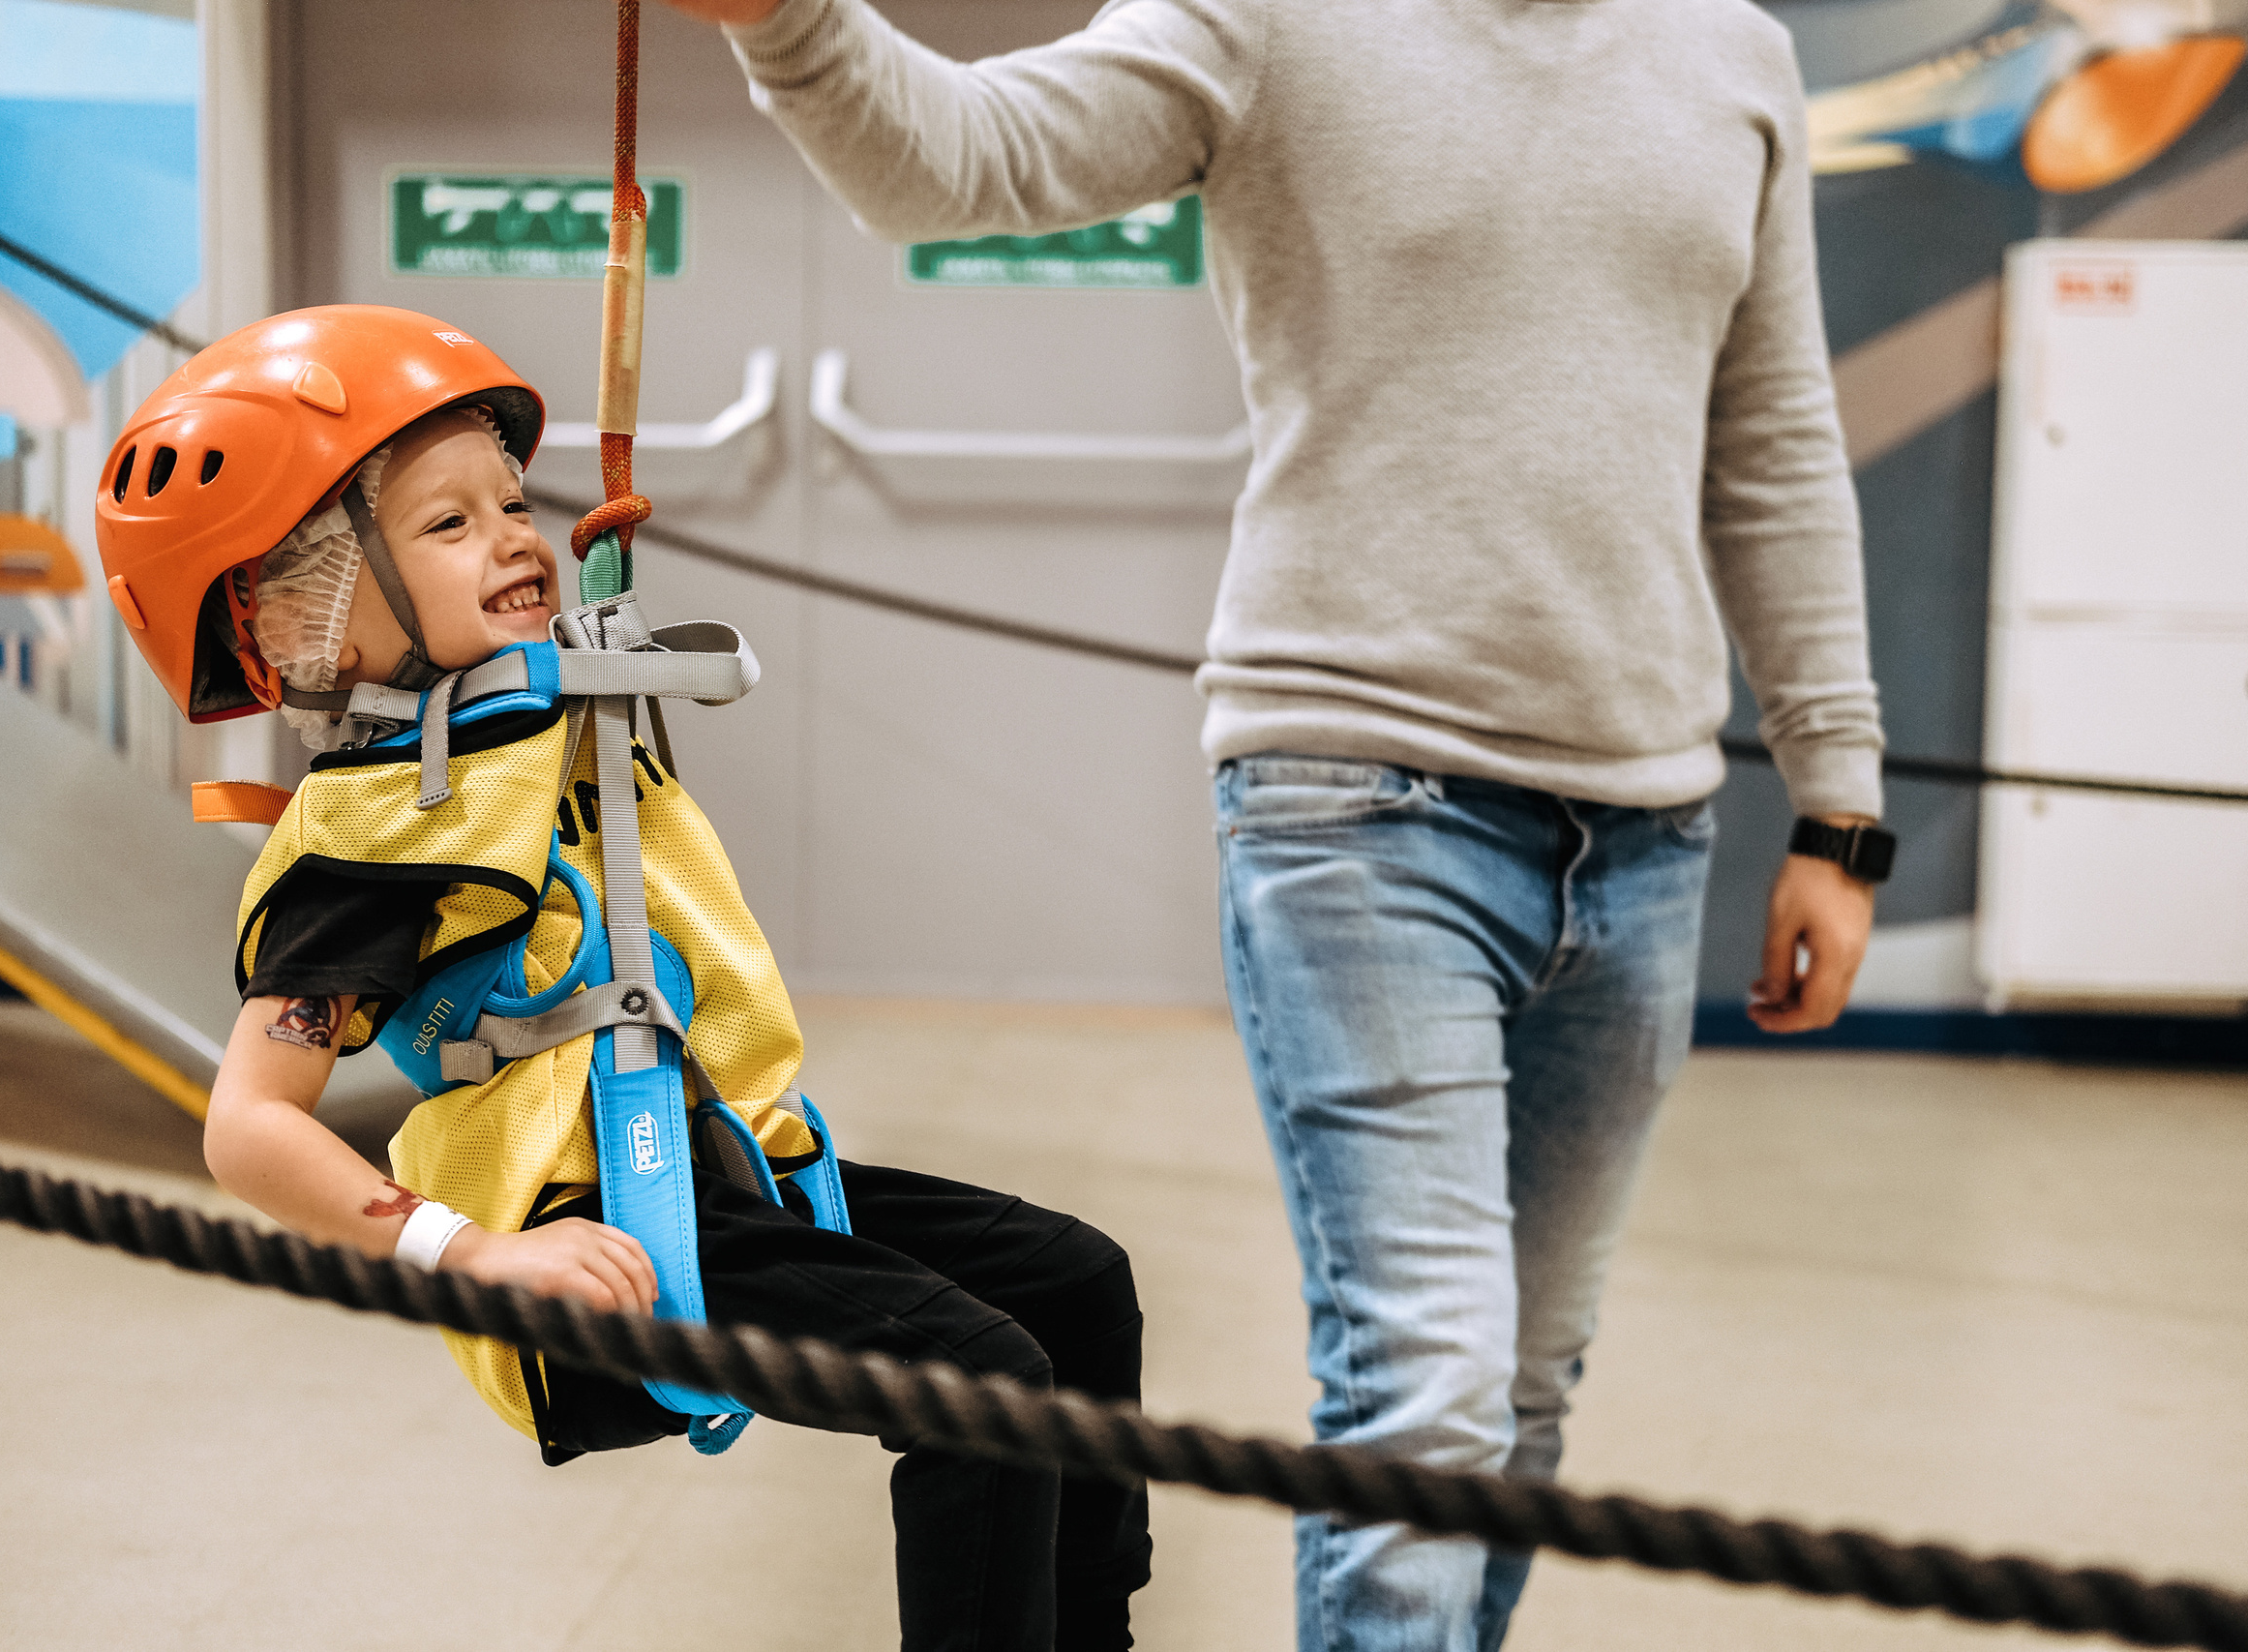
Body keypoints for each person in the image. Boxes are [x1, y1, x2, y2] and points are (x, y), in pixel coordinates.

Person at [656, 0, 1893, 1646]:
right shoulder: (1269, 17)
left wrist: (1842, 800)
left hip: (1651, 830)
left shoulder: (1731, 50)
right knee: (1429, 1390)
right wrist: (791, 18)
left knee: (1520, 1394)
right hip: (1359, 803)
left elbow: (1775, 440)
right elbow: (960, 157)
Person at [95, 305, 1153, 1652]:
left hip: (727, 1184)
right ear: (317, 607)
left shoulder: (529, 728)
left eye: (511, 501)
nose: (515, 537)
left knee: (1077, 1284)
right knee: (980, 1383)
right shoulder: (369, 847)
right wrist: (476, 1255)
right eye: (450, 524)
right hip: (600, 1249)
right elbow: (245, 1126)